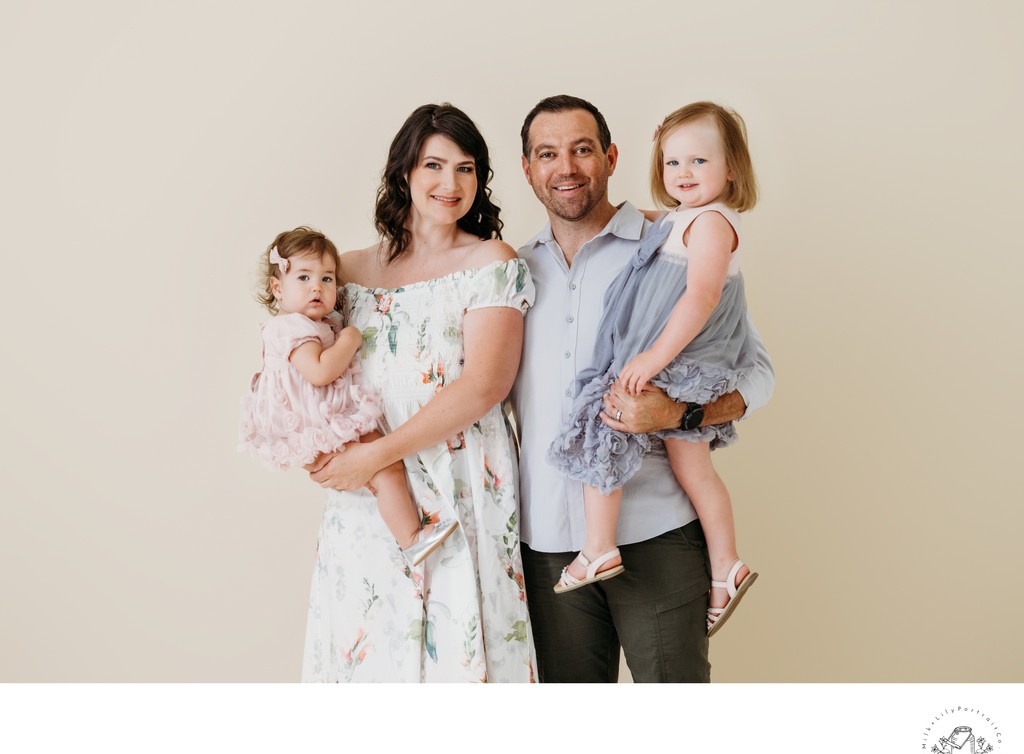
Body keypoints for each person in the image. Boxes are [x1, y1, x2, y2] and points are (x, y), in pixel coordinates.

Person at [513, 95, 775, 682]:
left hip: (656, 533)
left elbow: (756, 373)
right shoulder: (510, 272)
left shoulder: (669, 245)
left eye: (583, 149)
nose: (567, 166)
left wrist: (678, 414)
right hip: (548, 540)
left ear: (610, 157)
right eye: (548, 153)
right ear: (527, 169)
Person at [301, 103, 537, 682]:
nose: (450, 183)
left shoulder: (491, 262)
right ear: (404, 171)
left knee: (459, 651)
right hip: (367, 497)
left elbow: (485, 385)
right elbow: (305, 359)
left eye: (466, 168)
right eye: (434, 165)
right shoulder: (346, 271)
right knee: (368, 647)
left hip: (457, 479)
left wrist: (376, 456)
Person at [239, 227, 457, 566]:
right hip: (321, 424)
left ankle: (405, 536)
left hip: (316, 421)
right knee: (386, 467)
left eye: (327, 279)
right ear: (277, 287)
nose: (317, 287)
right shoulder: (293, 328)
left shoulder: (312, 323)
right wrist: (350, 339)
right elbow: (321, 371)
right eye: (304, 277)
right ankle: (412, 538)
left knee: (379, 475)